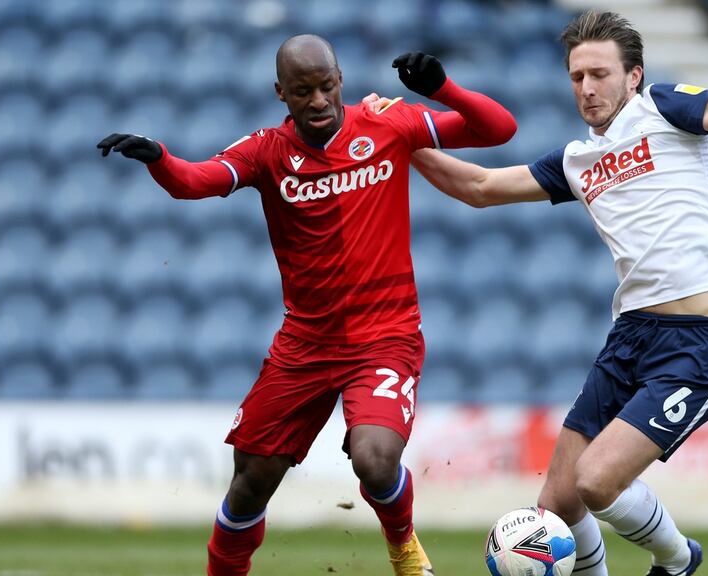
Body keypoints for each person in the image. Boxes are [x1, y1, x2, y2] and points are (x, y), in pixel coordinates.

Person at [368, 10, 708, 576]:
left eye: (600, 74)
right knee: (557, 504)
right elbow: (480, 187)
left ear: (633, 76)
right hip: (631, 335)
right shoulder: (577, 160)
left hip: (698, 345)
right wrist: (402, 138)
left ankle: (678, 560)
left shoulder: (664, 107)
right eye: (577, 77)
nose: (587, 88)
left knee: (597, 480)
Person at [97, 35, 516, 576]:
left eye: (326, 86)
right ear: (281, 93)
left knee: (374, 460)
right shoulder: (268, 151)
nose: (318, 100)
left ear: (340, 80)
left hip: (385, 335)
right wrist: (159, 157)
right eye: (302, 91)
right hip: (306, 344)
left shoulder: (387, 123)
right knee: (249, 483)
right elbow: (195, 182)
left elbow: (499, 128)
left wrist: (442, 88)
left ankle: (404, 546)